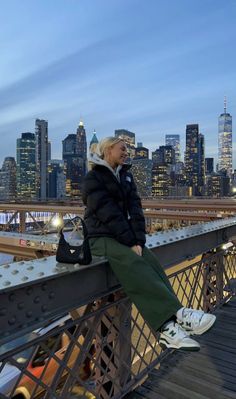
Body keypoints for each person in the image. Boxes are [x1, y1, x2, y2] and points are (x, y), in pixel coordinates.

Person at [82, 137, 216, 351]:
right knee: (131, 261)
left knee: (149, 259)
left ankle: (173, 324)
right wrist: (129, 242)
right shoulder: (93, 178)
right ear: (108, 150)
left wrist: (138, 241)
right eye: (122, 148)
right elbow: (108, 213)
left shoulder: (125, 176)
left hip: (119, 236)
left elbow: (136, 210)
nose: (127, 152)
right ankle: (172, 322)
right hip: (99, 238)